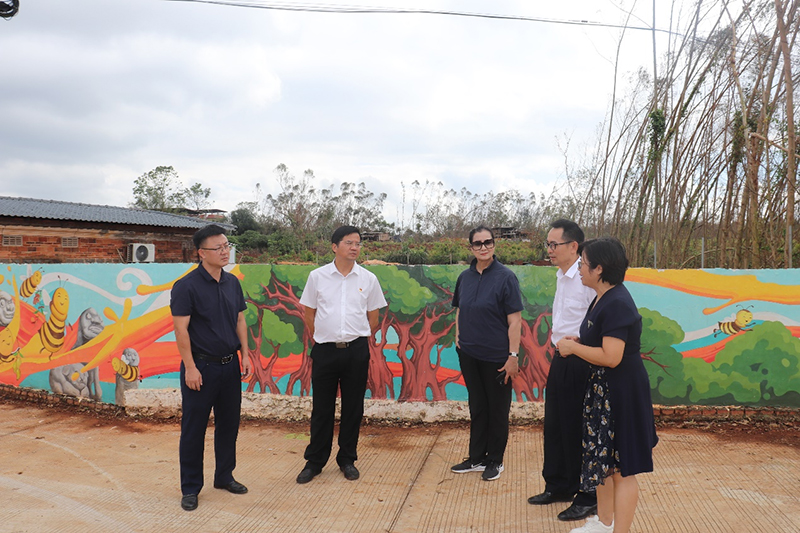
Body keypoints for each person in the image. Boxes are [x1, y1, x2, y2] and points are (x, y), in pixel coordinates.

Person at [557, 237, 658, 533]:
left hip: (620, 394)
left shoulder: (617, 303)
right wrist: (580, 341)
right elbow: (603, 341)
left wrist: (574, 349)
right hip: (603, 392)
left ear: (599, 269)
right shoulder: (602, 297)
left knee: (621, 469)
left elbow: (612, 357)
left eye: (583, 263)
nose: (579, 269)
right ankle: (603, 524)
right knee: (603, 464)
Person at [295, 225, 387, 484]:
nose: (355, 247)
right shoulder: (317, 276)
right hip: (325, 350)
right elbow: (309, 313)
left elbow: (373, 317)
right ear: (335, 247)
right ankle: (315, 461)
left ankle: (347, 459)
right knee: (321, 408)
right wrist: (324, 335)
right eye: (349, 242)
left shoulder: (368, 279)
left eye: (358, 243)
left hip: (356, 351)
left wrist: (355, 336)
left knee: (353, 407)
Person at [171, 224, 253, 512]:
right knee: (194, 429)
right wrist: (190, 367)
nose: (224, 251)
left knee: (229, 425)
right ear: (201, 253)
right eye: (218, 248)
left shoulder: (232, 283)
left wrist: (245, 355)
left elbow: (240, 320)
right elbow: (181, 330)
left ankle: (224, 476)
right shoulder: (186, 286)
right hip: (201, 367)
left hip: (230, 366)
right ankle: (190, 488)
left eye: (226, 245)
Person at [529, 220, 598, 520]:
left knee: (577, 428)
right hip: (560, 358)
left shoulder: (587, 279)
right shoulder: (561, 276)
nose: (549, 250)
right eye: (548, 244)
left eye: (554, 244)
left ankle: (588, 495)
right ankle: (558, 486)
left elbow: (599, 322)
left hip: (581, 360)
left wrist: (582, 345)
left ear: (573, 246)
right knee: (556, 425)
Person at [450, 225, 523, 482]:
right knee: (478, 406)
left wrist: (513, 356)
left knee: (497, 409)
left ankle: (495, 460)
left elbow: (515, 320)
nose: (483, 247)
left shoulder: (506, 278)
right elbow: (460, 309)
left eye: (488, 242)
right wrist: (458, 338)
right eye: (478, 243)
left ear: (494, 244)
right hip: (469, 354)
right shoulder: (464, 278)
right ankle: (476, 458)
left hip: (497, 357)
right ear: (470, 247)